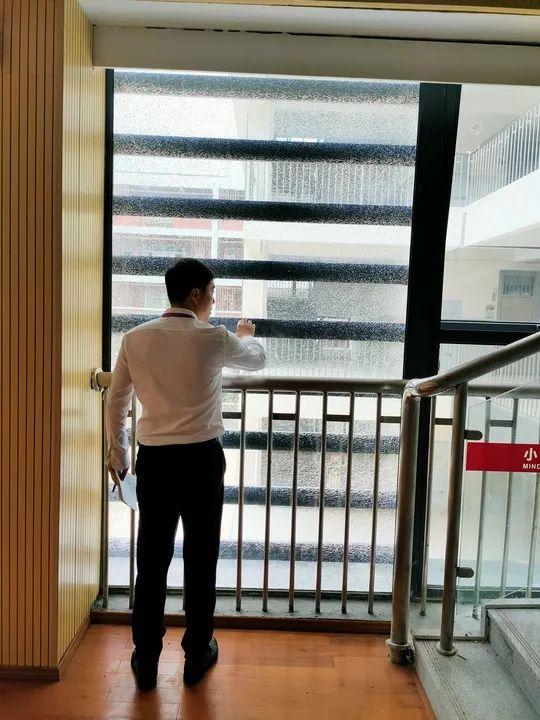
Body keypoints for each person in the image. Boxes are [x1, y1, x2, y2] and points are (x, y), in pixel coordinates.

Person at [106, 258, 266, 690]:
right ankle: (196, 654)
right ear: (195, 295)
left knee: (151, 559)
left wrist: (119, 454)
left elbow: (117, 400)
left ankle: (146, 657)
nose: (213, 301)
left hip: (155, 460)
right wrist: (246, 336)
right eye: (211, 294)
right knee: (200, 557)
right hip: (201, 460)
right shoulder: (212, 337)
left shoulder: (135, 338)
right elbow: (256, 360)